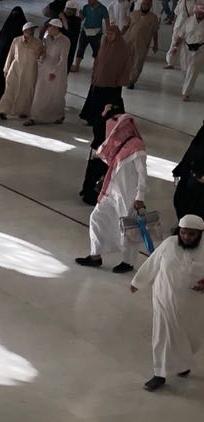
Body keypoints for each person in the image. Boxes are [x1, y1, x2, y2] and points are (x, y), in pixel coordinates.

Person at [130, 216, 204, 391]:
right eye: (183, 233)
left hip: (192, 302)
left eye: (191, 234)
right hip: (164, 296)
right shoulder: (169, 243)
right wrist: (138, 282)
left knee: (190, 337)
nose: (186, 237)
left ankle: (182, 362)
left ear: (200, 234)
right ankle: (159, 374)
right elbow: (153, 262)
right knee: (162, 335)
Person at [76, 112, 148, 274]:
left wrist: (140, 197)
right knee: (97, 218)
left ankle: (128, 262)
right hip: (111, 192)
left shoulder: (137, 146)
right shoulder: (119, 145)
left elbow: (142, 174)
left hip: (129, 196)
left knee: (128, 229)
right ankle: (95, 255)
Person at [78, 27, 133, 134]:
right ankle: (92, 119)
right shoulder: (104, 44)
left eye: (111, 34)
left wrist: (121, 79)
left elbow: (126, 66)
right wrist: (94, 73)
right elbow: (98, 60)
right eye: (108, 34)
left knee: (109, 102)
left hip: (113, 82)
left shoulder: (122, 48)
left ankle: (110, 120)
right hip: (100, 79)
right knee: (96, 100)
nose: (109, 36)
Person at [25, 18, 70, 126]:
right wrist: (41, 55)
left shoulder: (65, 41)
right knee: (39, 93)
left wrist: (55, 72)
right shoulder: (47, 38)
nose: (48, 29)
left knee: (56, 95)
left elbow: (63, 59)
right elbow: (44, 51)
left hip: (57, 72)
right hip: (44, 69)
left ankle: (58, 115)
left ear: (56, 28)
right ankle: (35, 117)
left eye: (50, 27)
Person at [0, 23, 42, 121]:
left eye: (33, 30)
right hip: (15, 68)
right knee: (10, 90)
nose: (31, 32)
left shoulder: (37, 43)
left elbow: (40, 57)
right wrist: (6, 68)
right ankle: (3, 111)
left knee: (26, 91)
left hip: (30, 70)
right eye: (29, 30)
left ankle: (23, 111)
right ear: (24, 31)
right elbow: (11, 54)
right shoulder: (16, 40)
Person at [0, 6, 27, 102]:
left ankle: (3, 94)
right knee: (0, 71)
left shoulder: (19, 26)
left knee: (7, 72)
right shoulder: (14, 25)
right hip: (2, 51)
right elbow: (0, 35)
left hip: (10, 52)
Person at [173, 122, 204, 220]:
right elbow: (193, 149)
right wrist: (180, 168)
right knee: (181, 201)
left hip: (199, 180)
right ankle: (184, 225)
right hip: (190, 174)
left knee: (195, 210)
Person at [73, 0, 110, 72]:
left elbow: (107, 20)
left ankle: (95, 66)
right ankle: (77, 66)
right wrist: (80, 14)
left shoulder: (103, 8)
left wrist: (108, 31)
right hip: (85, 31)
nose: (88, 1)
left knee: (96, 50)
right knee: (80, 48)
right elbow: (82, 18)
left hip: (96, 33)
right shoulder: (86, 7)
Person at [127, 0, 159, 88]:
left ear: (150, 6)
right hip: (129, 42)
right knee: (128, 61)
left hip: (142, 45)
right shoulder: (133, 14)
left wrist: (156, 44)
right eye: (144, 4)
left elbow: (155, 31)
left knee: (138, 63)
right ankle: (125, 78)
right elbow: (127, 27)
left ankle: (132, 81)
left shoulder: (153, 18)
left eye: (147, 4)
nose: (145, 6)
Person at [165, 0, 197, 68]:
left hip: (190, 28)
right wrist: (173, 25)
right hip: (178, 27)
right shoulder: (180, 1)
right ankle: (170, 63)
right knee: (174, 44)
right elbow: (176, 14)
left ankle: (186, 65)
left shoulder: (197, 3)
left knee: (187, 47)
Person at [181, 3, 204, 101]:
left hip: (200, 50)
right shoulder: (189, 20)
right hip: (186, 48)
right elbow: (181, 34)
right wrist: (175, 47)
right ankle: (187, 86)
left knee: (192, 71)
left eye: (202, 13)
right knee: (185, 70)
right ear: (195, 12)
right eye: (198, 12)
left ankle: (186, 93)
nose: (200, 14)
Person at [63, 0, 83, 69]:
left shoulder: (77, 20)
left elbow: (69, 30)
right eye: (67, 8)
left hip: (70, 45)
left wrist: (63, 19)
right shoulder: (61, 16)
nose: (68, 11)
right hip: (59, 46)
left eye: (71, 9)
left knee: (67, 63)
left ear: (75, 11)